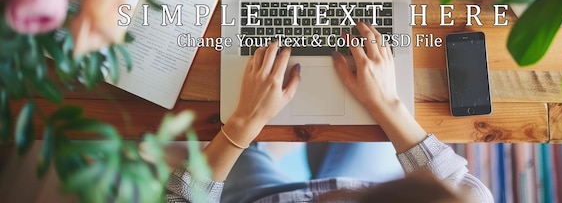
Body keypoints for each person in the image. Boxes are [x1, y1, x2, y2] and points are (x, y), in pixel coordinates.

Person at [166, 22, 494, 203]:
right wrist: (385, 104)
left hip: (257, 197)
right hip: (365, 180)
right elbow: (468, 193)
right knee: (362, 127)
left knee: (233, 129)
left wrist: (241, 125)